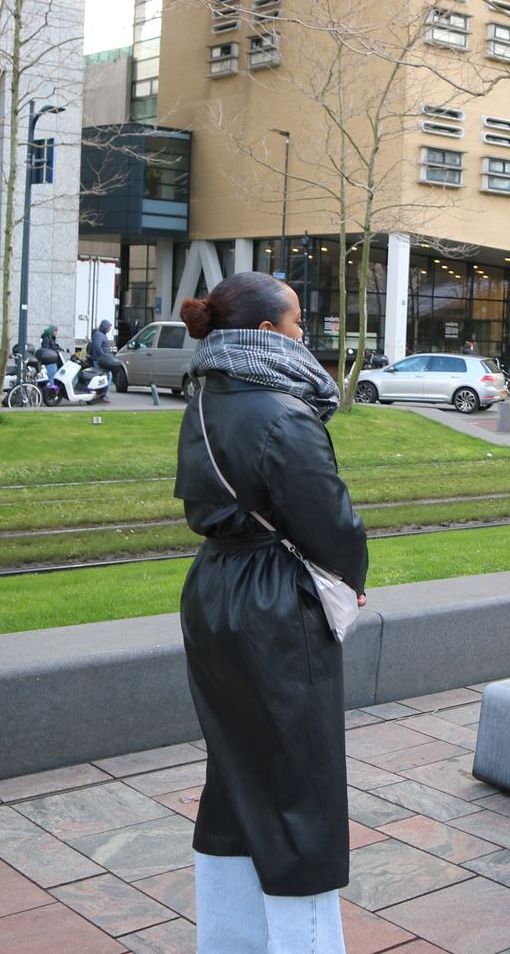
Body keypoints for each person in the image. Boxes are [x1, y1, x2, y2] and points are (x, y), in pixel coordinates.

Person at [174, 272, 368, 953]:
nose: (303, 335)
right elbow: (333, 522)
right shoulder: (285, 414)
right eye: (295, 324)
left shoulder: (206, 397)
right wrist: (353, 578)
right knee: (300, 790)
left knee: (234, 776)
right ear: (266, 334)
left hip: (214, 593)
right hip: (274, 603)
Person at [87, 320, 120, 404]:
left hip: (101, 360)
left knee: (104, 378)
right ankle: (102, 396)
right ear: (105, 327)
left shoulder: (101, 334)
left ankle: (101, 395)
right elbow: (97, 347)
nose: (109, 329)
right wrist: (104, 356)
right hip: (101, 361)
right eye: (109, 327)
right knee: (105, 378)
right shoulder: (99, 335)